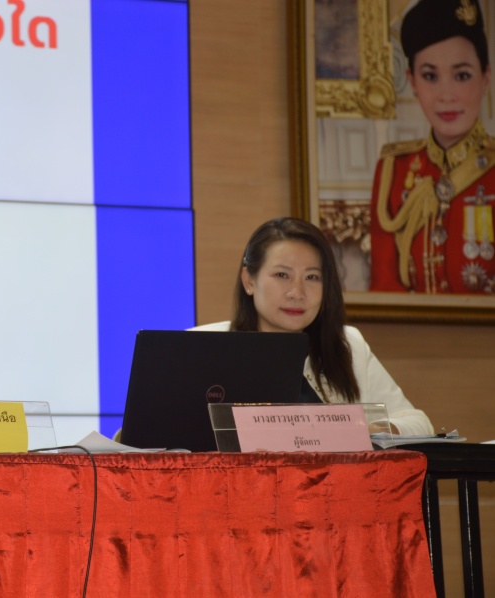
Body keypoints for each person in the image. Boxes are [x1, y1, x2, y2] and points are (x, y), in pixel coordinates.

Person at [196, 217, 434, 436]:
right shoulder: (203, 347)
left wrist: (365, 430)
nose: (297, 293)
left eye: (312, 277)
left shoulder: (348, 345)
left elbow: (419, 423)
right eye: (282, 275)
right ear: (249, 280)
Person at [370, 0, 495, 293]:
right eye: (430, 76)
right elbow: (386, 292)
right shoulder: (393, 170)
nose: (446, 95)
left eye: (462, 75)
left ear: (485, 78)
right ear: (412, 81)